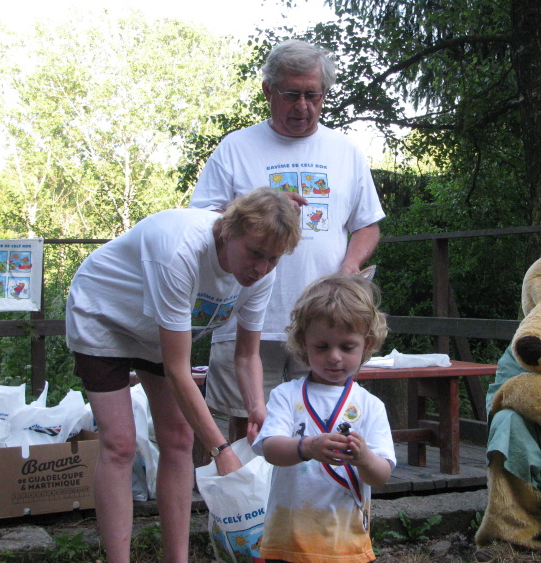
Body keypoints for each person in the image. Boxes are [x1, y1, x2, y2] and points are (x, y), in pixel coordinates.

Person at [65, 188, 301, 563]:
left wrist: (257, 407)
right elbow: (178, 371)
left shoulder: (261, 276)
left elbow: (246, 355)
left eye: (273, 259)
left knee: (178, 438)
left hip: (156, 330)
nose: (261, 268)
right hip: (103, 315)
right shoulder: (181, 252)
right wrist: (221, 450)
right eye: (255, 254)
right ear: (228, 230)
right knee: (121, 443)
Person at [189, 39, 385, 442]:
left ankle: (310, 486)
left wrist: (349, 267)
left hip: (325, 324)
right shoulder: (236, 148)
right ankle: (247, 486)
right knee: (248, 423)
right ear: (268, 90)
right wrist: (262, 207)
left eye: (313, 95)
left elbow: (368, 225)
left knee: (324, 418)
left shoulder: (344, 151)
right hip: (247, 317)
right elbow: (200, 222)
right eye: (291, 94)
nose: (303, 106)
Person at [252, 274, 396, 563]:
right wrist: (307, 447)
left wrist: (364, 458)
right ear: (303, 342)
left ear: (366, 344)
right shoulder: (286, 395)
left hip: (347, 545)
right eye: (322, 346)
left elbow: (381, 475)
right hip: (287, 542)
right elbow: (270, 449)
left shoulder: (371, 406)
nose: (334, 357)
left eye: (347, 347)